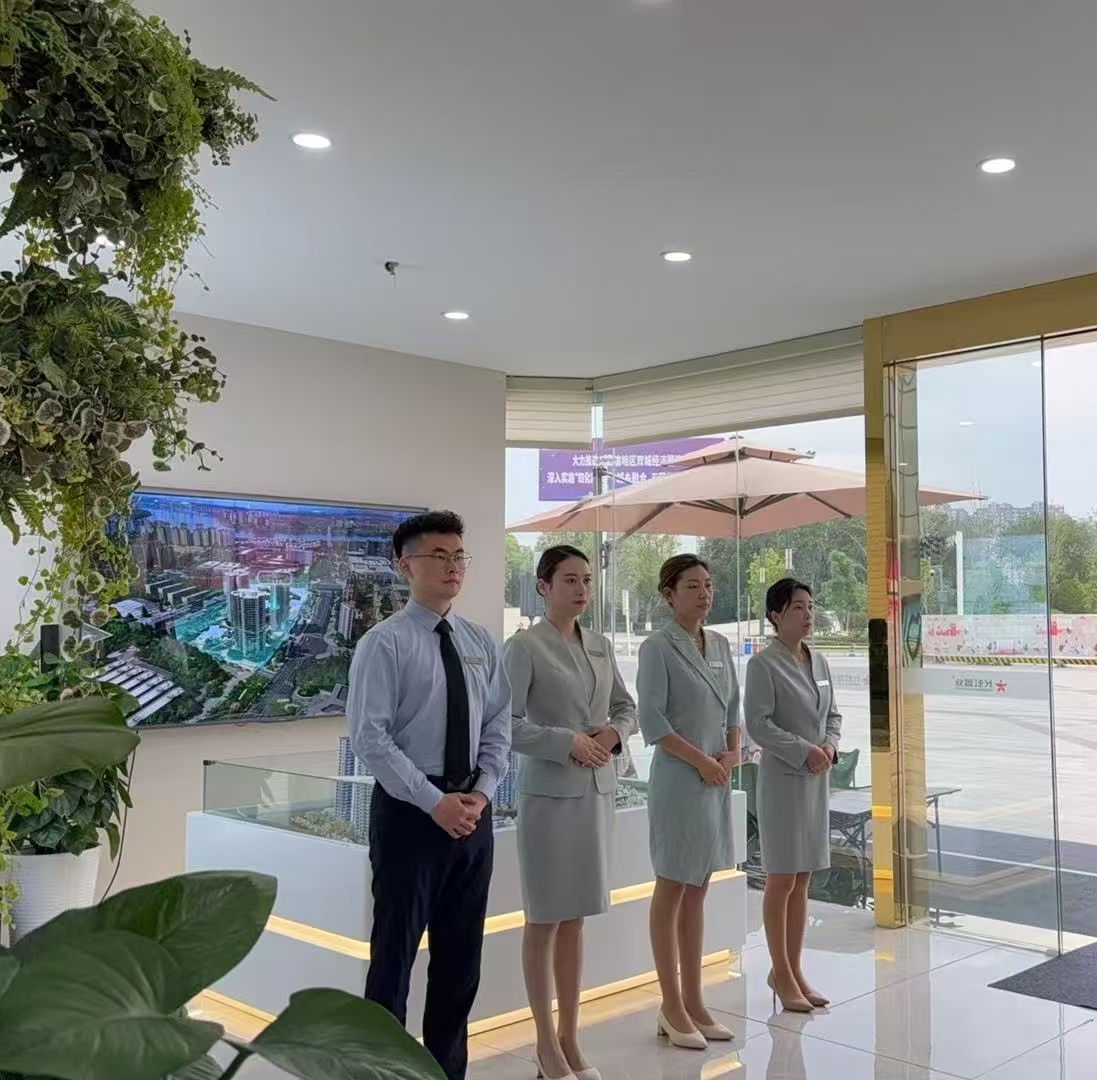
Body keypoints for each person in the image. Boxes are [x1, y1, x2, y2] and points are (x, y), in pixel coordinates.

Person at [347, 510, 512, 1080]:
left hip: (472, 815)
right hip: (411, 816)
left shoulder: (480, 641)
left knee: (460, 964)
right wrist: (432, 802)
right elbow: (370, 737)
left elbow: (498, 726)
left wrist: (481, 795)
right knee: (393, 961)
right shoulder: (384, 643)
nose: (452, 567)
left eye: (459, 556)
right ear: (405, 565)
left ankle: (446, 1071)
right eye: (438, 556)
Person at [502, 545, 637, 1080]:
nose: (582, 589)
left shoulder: (600, 644)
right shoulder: (523, 647)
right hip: (548, 797)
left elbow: (626, 708)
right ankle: (544, 1044)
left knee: (576, 918)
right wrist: (566, 741)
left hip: (597, 793)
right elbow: (505, 724)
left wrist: (614, 733)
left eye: (586, 580)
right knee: (544, 919)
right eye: (570, 580)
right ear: (543, 586)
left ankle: (569, 1037)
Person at [637, 554, 741, 1051]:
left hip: (716, 779)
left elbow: (733, 708)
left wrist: (733, 751)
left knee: (699, 887)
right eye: (693, 586)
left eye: (708, 585)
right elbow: (653, 721)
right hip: (681, 780)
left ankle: (695, 1001)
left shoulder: (719, 644)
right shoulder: (657, 647)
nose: (704, 594)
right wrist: (701, 760)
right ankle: (671, 1004)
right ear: (669, 594)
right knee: (672, 885)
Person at [744, 578, 842, 1013]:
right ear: (776, 615)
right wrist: (805, 751)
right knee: (782, 878)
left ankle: (794, 970)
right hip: (784, 780)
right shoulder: (763, 665)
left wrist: (830, 746)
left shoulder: (819, 661)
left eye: (810, 606)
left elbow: (833, 715)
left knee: (803, 878)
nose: (808, 614)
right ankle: (780, 972)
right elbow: (759, 724)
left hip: (816, 779)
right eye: (798, 607)